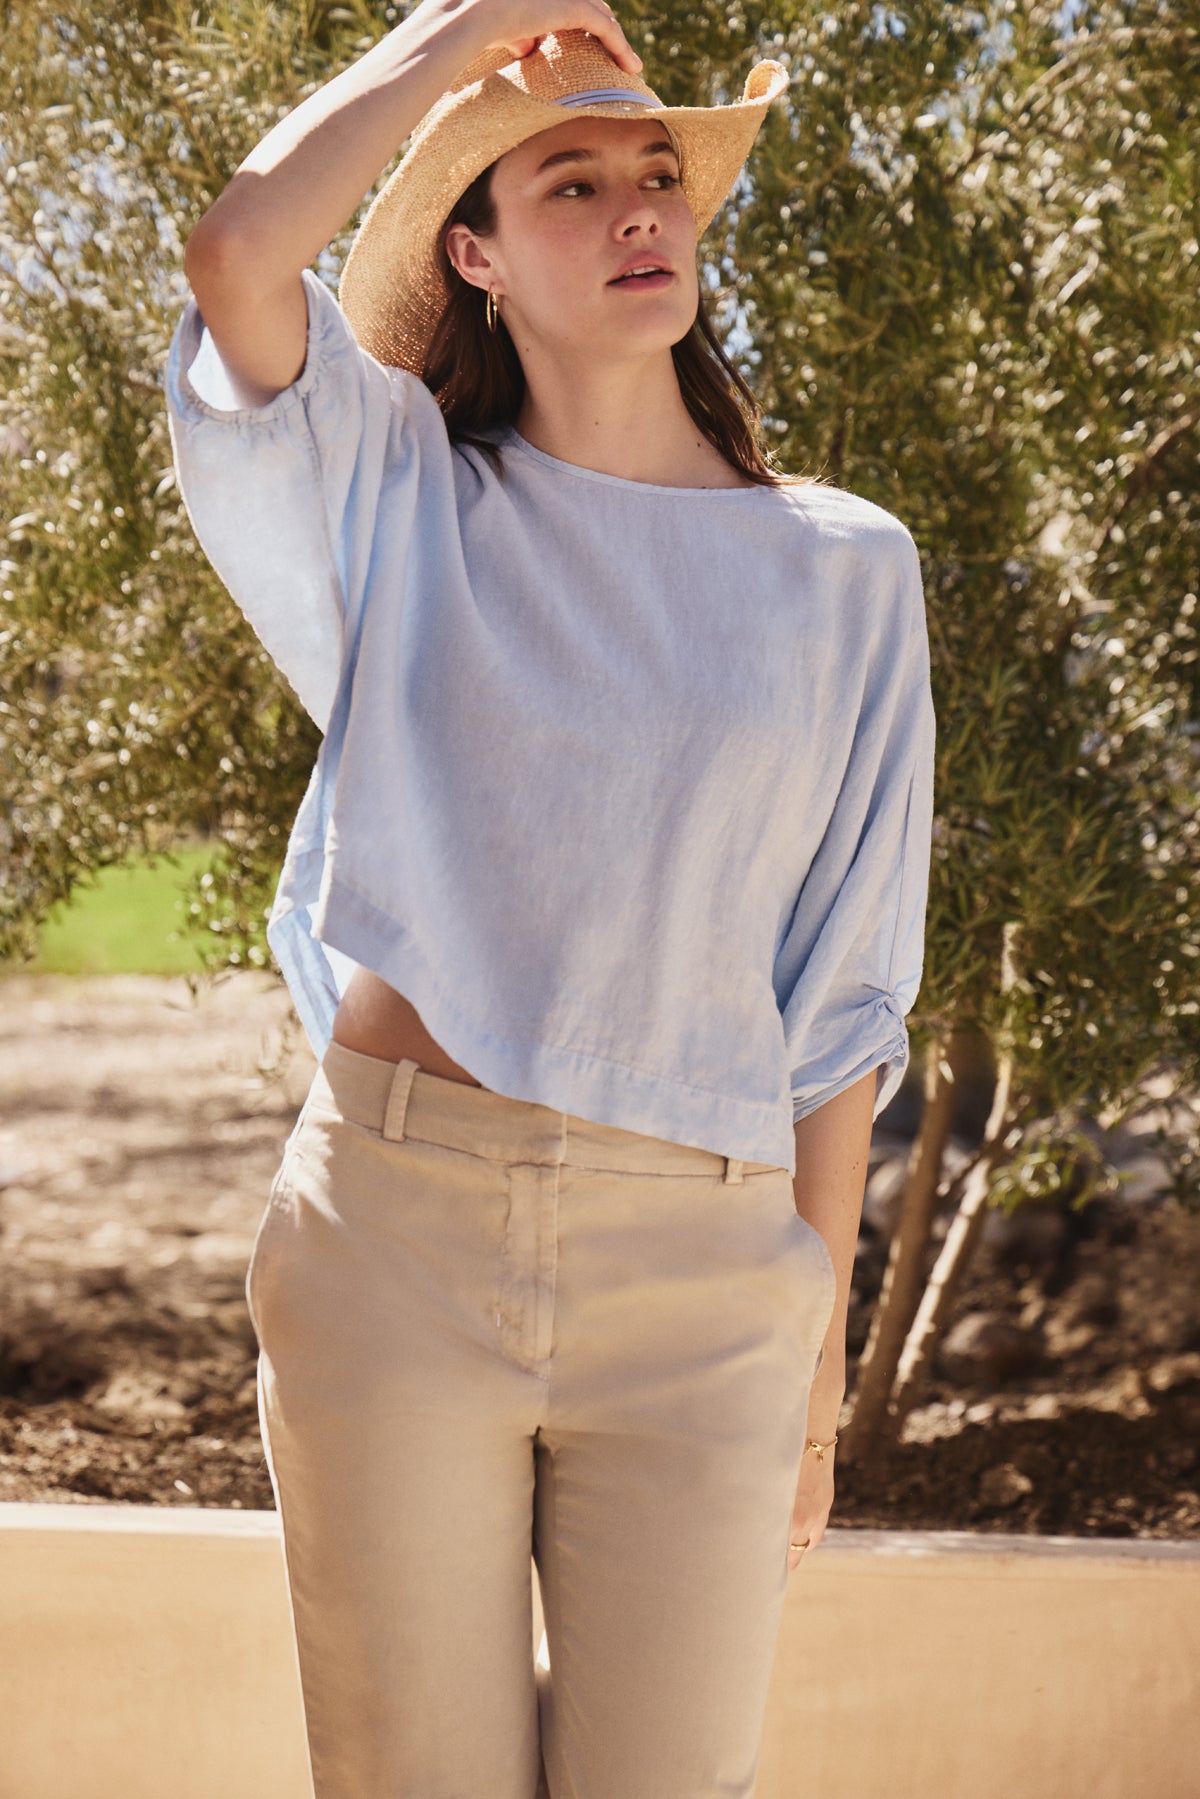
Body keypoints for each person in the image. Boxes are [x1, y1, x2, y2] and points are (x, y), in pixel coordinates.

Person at [163, 2, 936, 1793]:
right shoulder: (399, 500)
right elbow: (238, 253)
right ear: (478, 256)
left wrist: (811, 1379)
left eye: (657, 171)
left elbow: (841, 1005)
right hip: (397, 1233)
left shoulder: (845, 571)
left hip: (708, 1275)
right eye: (570, 182)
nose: (635, 207)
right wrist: (466, 37)